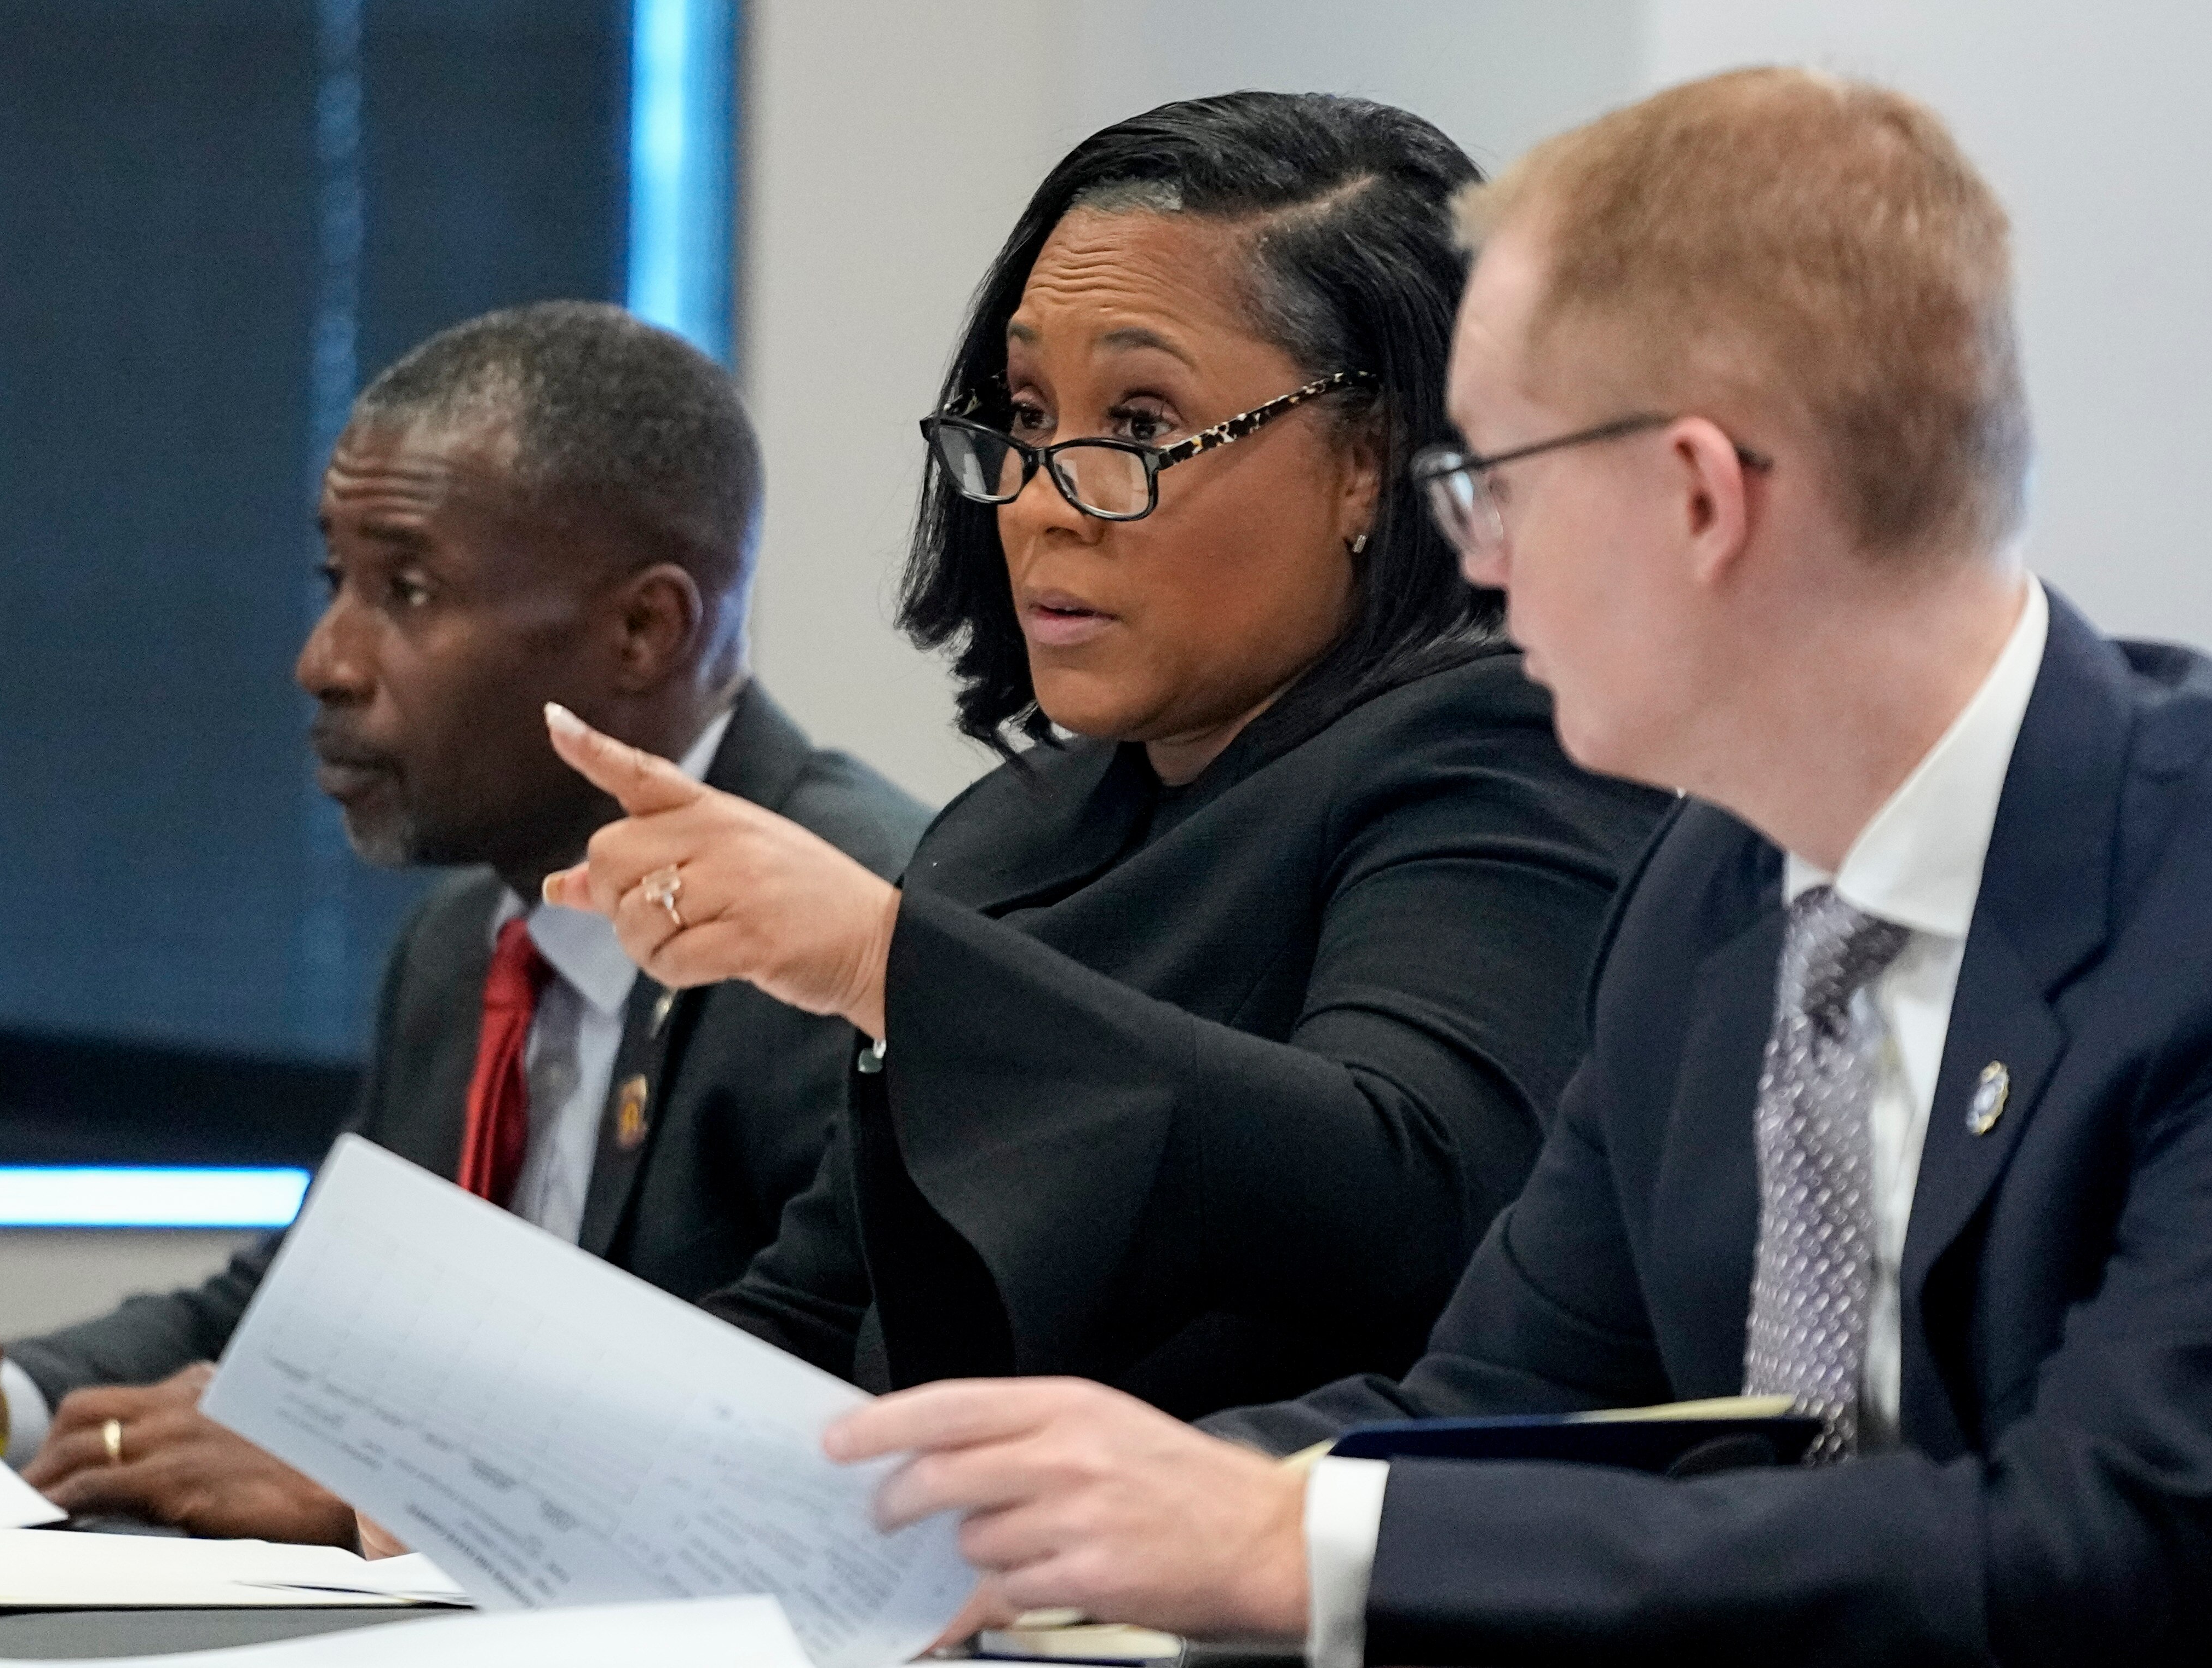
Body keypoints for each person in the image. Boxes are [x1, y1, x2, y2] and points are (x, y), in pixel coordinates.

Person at [826, 67, 2212, 1666]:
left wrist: (1302, 1539)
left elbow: (2111, 1544)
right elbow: (1499, 1406)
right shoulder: (1710, 897)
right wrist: (1071, 1515)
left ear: (1698, 496)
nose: (1469, 558)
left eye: (1491, 481)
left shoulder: (2175, 888)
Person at [539, 91, 1671, 1423]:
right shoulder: (1010, 828)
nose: (1033, 496)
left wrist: (882, 963)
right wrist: (525, 1440)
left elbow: (1416, 1185)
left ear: (1367, 460)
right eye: (1023, 413)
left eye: (1137, 425)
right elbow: (826, 1315)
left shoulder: (1498, 745)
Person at [0, 301, 929, 1543]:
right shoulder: (458, 945)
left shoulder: (863, 939)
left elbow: (869, 1444)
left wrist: (392, 1487)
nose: (324, 657)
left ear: (642, 629)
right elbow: (302, 1312)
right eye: (337, 582)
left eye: (408, 589)